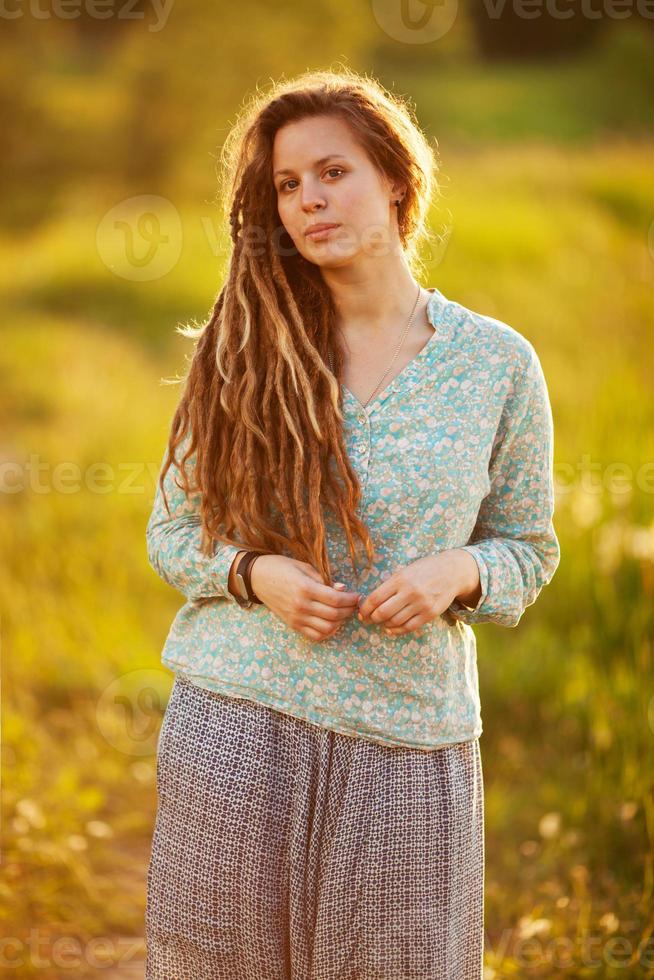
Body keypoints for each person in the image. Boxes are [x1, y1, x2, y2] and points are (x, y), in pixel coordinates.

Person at [143, 68, 560, 980]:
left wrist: (460, 572)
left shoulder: (496, 364)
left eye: (332, 173)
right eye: (288, 186)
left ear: (398, 181)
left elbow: (529, 546)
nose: (308, 202)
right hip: (235, 724)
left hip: (411, 742)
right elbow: (173, 533)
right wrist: (258, 575)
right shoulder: (245, 346)